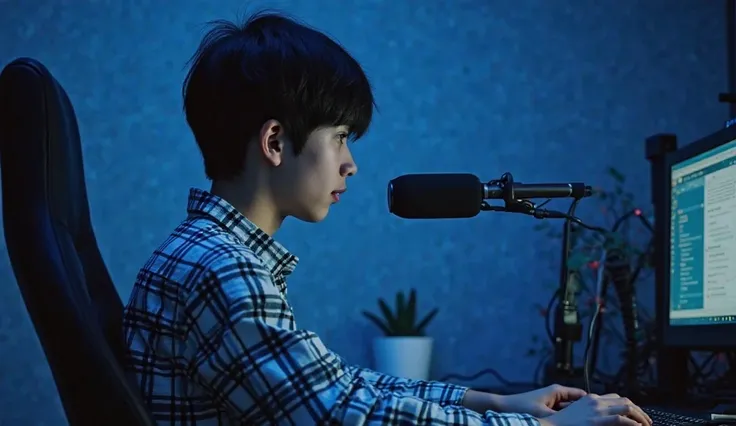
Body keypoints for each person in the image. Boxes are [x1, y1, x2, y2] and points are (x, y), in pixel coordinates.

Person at [122, 10, 654, 426]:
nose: (351, 164)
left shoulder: (211, 255)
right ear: (276, 141)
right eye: (339, 138)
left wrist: (496, 402)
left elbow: (336, 385)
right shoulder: (221, 271)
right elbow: (336, 414)